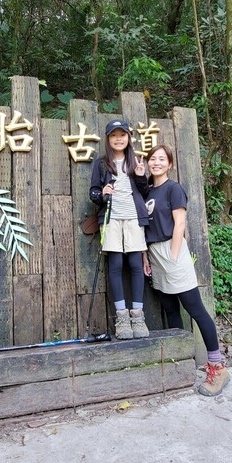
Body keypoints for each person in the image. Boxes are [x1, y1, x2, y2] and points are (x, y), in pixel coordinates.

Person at [139, 144, 230, 396]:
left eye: (161, 159)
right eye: (152, 159)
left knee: (196, 310)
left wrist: (174, 255)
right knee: (169, 309)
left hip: (172, 252)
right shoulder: (147, 192)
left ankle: (217, 367)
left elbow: (180, 223)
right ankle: (180, 365)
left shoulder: (173, 189)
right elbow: (146, 229)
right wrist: (147, 256)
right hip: (155, 254)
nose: (156, 162)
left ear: (169, 164)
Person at [89, 120, 150, 339]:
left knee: (135, 264)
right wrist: (102, 193)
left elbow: (144, 192)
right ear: (107, 139)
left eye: (122, 134)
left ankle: (138, 315)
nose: (118, 138)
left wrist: (142, 176)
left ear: (128, 138)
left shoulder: (135, 161)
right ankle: (122, 318)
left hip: (134, 218)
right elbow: (94, 193)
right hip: (111, 219)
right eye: (113, 135)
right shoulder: (101, 163)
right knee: (115, 265)